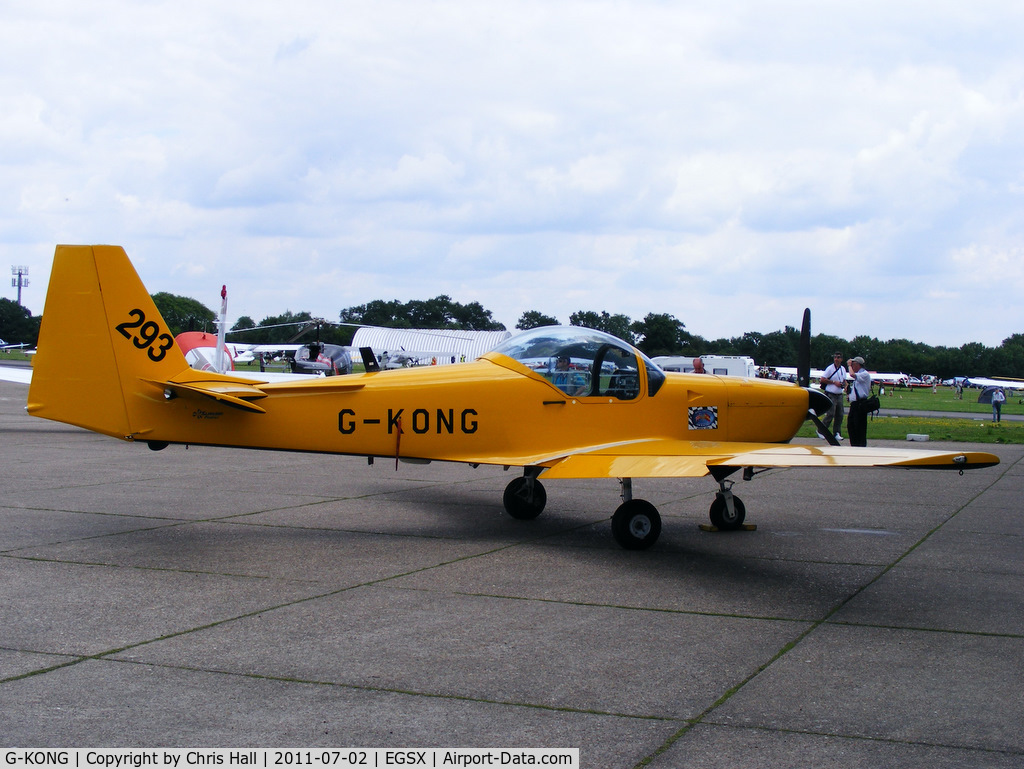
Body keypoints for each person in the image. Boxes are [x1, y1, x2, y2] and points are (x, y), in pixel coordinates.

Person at [818, 352, 847, 441]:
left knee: (840, 414)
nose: (836, 359)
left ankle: (837, 432)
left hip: (839, 394)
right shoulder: (830, 368)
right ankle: (821, 430)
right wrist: (834, 382)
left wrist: (844, 385)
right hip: (831, 393)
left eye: (838, 357)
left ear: (841, 359)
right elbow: (822, 379)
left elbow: (844, 380)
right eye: (835, 357)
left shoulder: (842, 369)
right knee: (830, 413)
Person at [845, 356, 872, 447]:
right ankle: (854, 445)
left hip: (860, 404)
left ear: (858, 364)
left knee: (859, 427)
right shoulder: (859, 377)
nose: (852, 366)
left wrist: (848, 365)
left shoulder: (864, 374)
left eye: (853, 364)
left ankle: (860, 446)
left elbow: (852, 375)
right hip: (854, 404)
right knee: (851, 426)